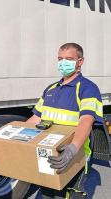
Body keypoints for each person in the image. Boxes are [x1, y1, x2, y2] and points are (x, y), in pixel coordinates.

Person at [26, 43, 103, 198]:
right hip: (47, 155)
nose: (63, 63)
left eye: (68, 59)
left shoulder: (87, 88)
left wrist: (72, 149)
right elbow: (35, 119)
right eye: (60, 59)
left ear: (80, 61)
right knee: (46, 194)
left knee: (71, 194)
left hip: (74, 157)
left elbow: (86, 122)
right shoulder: (51, 89)